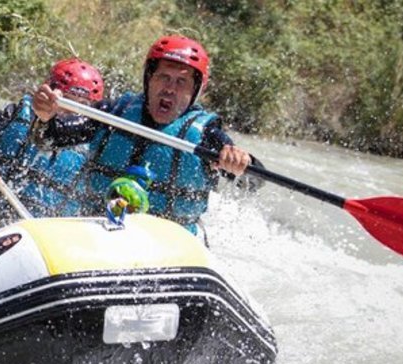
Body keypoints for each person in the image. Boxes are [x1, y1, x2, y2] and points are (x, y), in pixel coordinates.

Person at [31, 35, 261, 236]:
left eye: (181, 82)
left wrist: (242, 162)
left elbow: (253, 181)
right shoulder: (112, 114)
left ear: (195, 90)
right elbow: (49, 139)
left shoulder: (207, 135)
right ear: (149, 79)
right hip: (99, 230)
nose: (170, 89)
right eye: (163, 77)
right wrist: (44, 117)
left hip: (170, 243)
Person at [0, 58, 105, 252]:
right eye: (65, 101)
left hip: (39, 242)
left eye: (81, 106)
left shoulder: (96, 144)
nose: (70, 112)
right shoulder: (15, 115)